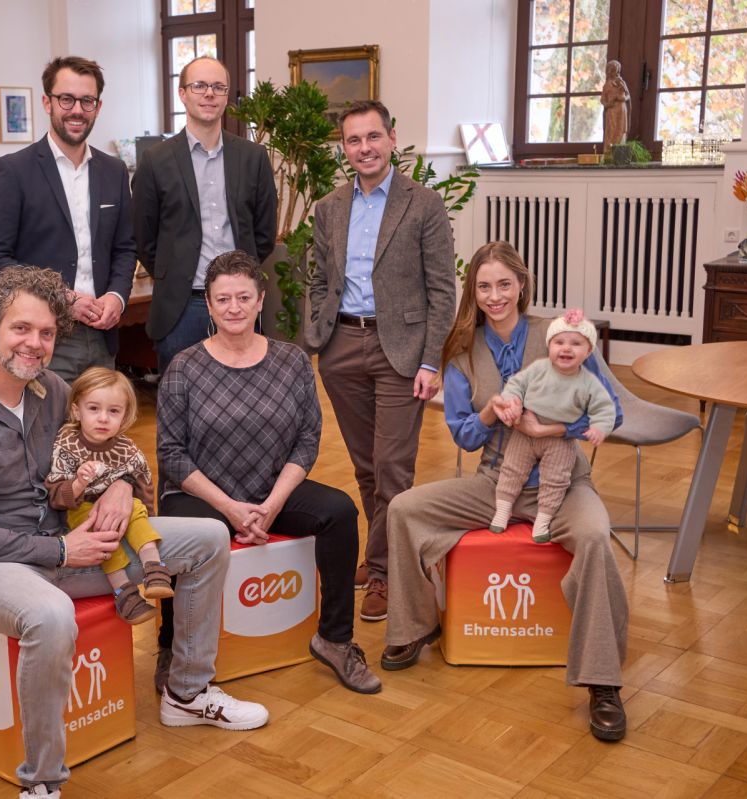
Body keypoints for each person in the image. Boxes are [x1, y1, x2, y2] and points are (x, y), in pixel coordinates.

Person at [0, 266, 268, 799]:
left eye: (47, 333)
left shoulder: (53, 389)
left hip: (69, 542)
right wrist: (61, 548)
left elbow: (106, 444)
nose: (34, 344)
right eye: (20, 329)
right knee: (50, 615)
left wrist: (123, 485)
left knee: (209, 538)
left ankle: (187, 693)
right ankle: (41, 783)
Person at [380, 241, 630, 743]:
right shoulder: (461, 349)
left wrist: (552, 430)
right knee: (404, 509)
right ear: (473, 290)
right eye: (484, 286)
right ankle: (416, 627)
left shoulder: (558, 334)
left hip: (561, 484)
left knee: (597, 537)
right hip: (495, 480)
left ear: (522, 284)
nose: (495, 296)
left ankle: (602, 682)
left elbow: (613, 411)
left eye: (504, 284)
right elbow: (464, 435)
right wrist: (492, 412)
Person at [156, 250, 379, 695]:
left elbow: (307, 439)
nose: (234, 307)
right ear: (211, 305)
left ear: (261, 301)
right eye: (223, 299)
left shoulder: (292, 361)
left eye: (243, 297)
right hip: (203, 494)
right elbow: (171, 454)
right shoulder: (184, 367)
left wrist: (274, 503)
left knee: (338, 511)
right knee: (193, 532)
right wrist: (230, 509)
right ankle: (172, 647)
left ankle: (335, 639)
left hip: (270, 488)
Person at [305, 100, 457, 622]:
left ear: (393, 138)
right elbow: (319, 278)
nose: (364, 148)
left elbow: (443, 290)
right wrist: (317, 339)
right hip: (342, 348)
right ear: (343, 148)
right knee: (367, 466)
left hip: (402, 351)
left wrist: (431, 361)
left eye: (373, 136)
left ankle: (387, 575)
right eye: (353, 140)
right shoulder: (329, 207)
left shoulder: (424, 204)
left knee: (393, 467)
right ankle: (379, 555)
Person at [0, 55, 136, 383]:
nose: (77, 109)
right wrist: (61, 297)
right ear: (47, 102)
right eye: (67, 99)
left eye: (87, 100)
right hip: (41, 337)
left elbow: (125, 248)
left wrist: (116, 297)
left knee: (98, 433)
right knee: (44, 433)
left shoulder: (114, 171)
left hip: (102, 336)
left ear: (98, 106)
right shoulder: (14, 171)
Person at [132, 56, 277, 374]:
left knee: (243, 402)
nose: (209, 94)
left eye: (218, 87)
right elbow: (144, 238)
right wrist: (175, 273)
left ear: (227, 97)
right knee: (179, 408)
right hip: (182, 308)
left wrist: (239, 284)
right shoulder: (156, 161)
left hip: (239, 305)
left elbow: (264, 233)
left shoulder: (253, 158)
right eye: (199, 86)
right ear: (183, 93)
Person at [45, 367, 173, 624]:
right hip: (80, 508)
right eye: (94, 409)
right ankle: (123, 592)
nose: (103, 418)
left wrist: (145, 517)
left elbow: (145, 484)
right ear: (76, 411)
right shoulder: (66, 443)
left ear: (125, 416)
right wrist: (79, 483)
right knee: (94, 526)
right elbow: (56, 495)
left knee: (136, 508)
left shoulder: (127, 449)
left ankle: (154, 569)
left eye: (113, 411)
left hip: (122, 507)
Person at [488, 308, 616, 542]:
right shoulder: (539, 368)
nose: (566, 348)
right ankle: (503, 509)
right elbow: (516, 384)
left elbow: (605, 408)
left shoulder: (588, 382)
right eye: (559, 342)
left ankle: (543, 519)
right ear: (550, 346)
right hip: (524, 434)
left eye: (576, 344)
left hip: (559, 441)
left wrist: (600, 427)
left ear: (588, 352)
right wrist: (512, 402)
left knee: (555, 479)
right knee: (511, 470)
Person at [602, 60, 630, 148]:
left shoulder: (621, 82)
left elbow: (628, 95)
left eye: (617, 71)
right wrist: (608, 103)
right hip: (612, 110)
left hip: (621, 109)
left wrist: (624, 98)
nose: (616, 73)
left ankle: (619, 152)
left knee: (621, 130)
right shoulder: (607, 85)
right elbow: (603, 100)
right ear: (609, 72)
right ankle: (609, 152)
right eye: (613, 71)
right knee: (611, 130)